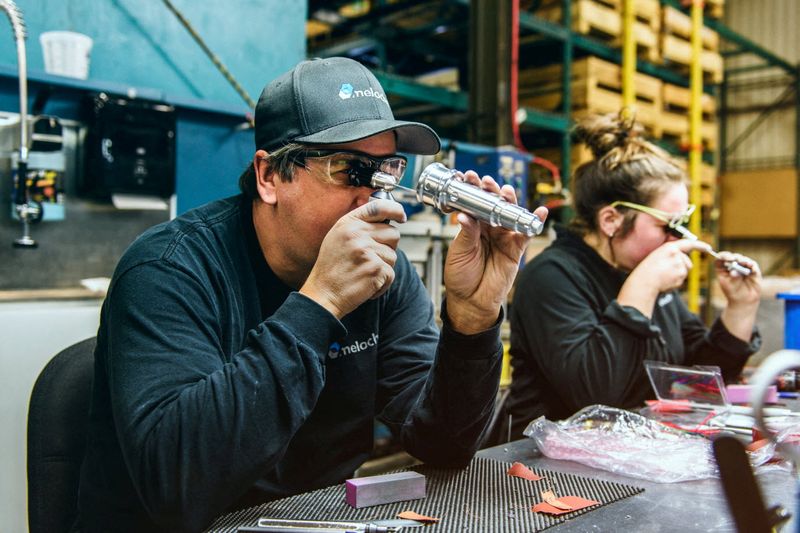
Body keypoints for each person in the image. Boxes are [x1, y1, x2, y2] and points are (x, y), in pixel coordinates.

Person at [73, 57, 548, 533]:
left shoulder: (385, 274)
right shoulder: (169, 270)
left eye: (387, 169)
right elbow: (176, 487)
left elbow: (443, 443)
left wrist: (471, 319)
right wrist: (320, 302)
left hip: (321, 522)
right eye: (350, 169)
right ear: (270, 176)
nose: (376, 197)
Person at [504, 113, 761, 439]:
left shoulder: (639, 268)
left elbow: (697, 382)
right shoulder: (551, 277)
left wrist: (741, 308)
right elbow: (596, 396)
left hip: (631, 455)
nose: (678, 240)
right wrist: (644, 286)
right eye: (668, 226)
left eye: (683, 224)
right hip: (544, 464)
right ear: (610, 220)